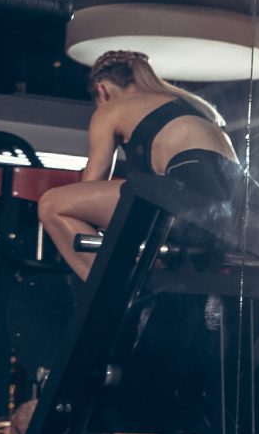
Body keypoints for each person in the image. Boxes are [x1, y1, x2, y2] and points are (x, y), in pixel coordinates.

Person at [38, 50, 239, 278]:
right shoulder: (195, 108)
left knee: (52, 205)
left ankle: (115, 298)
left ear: (101, 89)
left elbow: (87, 189)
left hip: (192, 203)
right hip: (237, 211)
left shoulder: (110, 109)